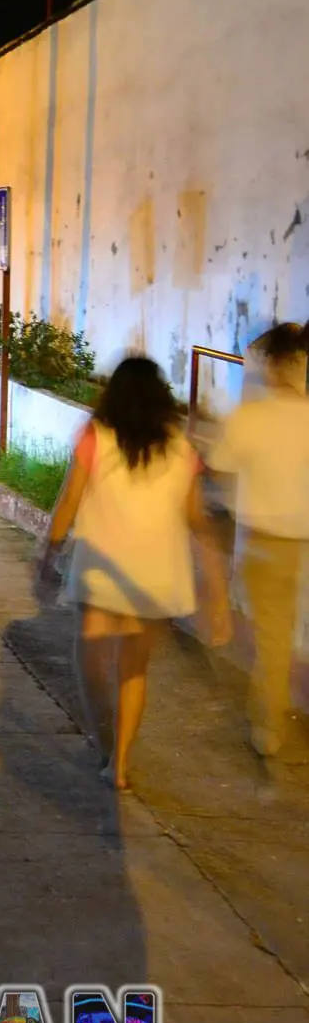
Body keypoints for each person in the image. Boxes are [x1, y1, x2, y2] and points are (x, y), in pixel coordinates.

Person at [39, 356, 231, 790]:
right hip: (155, 577)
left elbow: (69, 502)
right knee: (134, 671)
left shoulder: (96, 436)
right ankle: (120, 764)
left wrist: (47, 554)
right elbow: (198, 520)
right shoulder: (180, 446)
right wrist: (216, 590)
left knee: (91, 666)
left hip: (101, 572)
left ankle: (106, 742)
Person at [208, 322, 309, 761]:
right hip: (299, 539)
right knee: (278, 629)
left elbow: (219, 465)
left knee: (267, 631)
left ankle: (268, 721)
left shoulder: (251, 416)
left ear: (272, 363)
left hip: (261, 538)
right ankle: (271, 709)